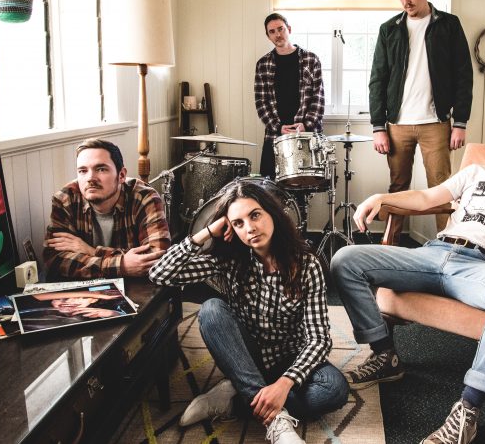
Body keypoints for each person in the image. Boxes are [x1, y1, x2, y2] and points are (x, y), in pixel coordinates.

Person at [331, 105, 485, 444]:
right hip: (432, 253)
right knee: (345, 259)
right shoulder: (476, 173)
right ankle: (385, 354)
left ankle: (469, 409)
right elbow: (427, 197)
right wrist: (382, 196)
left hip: (480, 268)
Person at [149, 180, 348, 444]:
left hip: (289, 356)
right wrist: (207, 231)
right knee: (211, 310)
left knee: (334, 391)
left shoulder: (307, 264)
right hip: (245, 355)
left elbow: (318, 339)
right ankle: (277, 422)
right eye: (238, 223)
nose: (250, 228)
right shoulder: (228, 260)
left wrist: (284, 383)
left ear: (272, 213)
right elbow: (160, 274)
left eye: (255, 215)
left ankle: (233, 397)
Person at [368, 0, 473, 241]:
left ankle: (448, 248)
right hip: (397, 125)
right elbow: (377, 79)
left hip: (436, 124)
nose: (406, 1)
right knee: (398, 189)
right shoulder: (388, 30)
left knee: (442, 189)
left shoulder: (449, 25)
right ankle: (391, 249)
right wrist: (378, 126)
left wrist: (460, 122)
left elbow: (464, 75)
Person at [44, 139, 170, 279]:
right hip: (85, 292)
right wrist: (121, 266)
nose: (90, 178)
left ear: (121, 175)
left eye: (101, 169)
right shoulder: (65, 199)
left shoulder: (144, 197)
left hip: (137, 288)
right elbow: (55, 260)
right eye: (83, 171)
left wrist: (90, 250)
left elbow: (157, 259)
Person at [254, 13, 325, 178]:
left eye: (281, 29)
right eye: (272, 31)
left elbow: (318, 98)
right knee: (269, 188)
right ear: (268, 36)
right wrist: (278, 127)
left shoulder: (311, 59)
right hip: (274, 135)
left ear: (289, 29)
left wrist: (305, 125)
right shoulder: (263, 64)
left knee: (302, 193)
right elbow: (261, 102)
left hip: (305, 136)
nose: (277, 34)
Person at [16, 288, 134, 331]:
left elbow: (127, 315)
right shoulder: (52, 310)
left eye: (81, 298)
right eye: (68, 299)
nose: (72, 301)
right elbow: (38, 296)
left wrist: (108, 313)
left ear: (92, 301)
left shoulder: (99, 311)